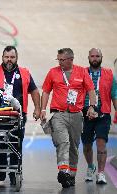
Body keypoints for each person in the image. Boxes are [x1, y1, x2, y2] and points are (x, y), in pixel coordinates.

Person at [0, 45, 41, 185]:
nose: (9, 60)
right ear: (2, 57)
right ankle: (2, 167)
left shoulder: (25, 73)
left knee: (16, 143)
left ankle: (14, 172)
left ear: (16, 58)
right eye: (7, 57)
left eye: (12, 57)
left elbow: (34, 91)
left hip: (18, 115)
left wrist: (38, 108)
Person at [40, 48, 97, 188]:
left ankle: (71, 175)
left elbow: (91, 90)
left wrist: (92, 106)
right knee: (63, 142)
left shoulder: (82, 72)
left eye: (62, 60)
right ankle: (63, 171)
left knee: (74, 146)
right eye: (58, 60)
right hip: (58, 114)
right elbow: (46, 91)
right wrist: (42, 109)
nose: (59, 62)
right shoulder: (53, 72)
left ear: (71, 59)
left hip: (77, 115)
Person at [81, 48, 117, 184]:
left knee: (101, 144)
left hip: (103, 114)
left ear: (101, 57)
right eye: (92, 56)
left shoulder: (108, 74)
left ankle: (101, 173)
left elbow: (114, 95)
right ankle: (91, 167)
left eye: (97, 56)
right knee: (87, 145)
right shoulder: (82, 73)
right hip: (85, 115)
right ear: (88, 57)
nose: (95, 58)